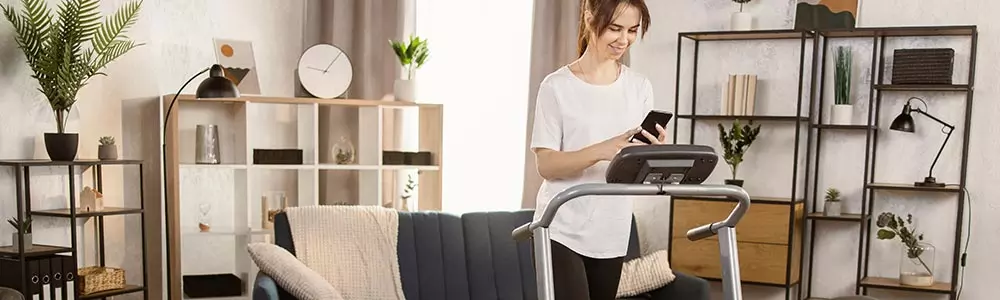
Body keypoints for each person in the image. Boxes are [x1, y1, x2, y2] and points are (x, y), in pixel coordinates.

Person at [528, 0, 660, 299]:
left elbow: (635, 168)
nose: (623, 39)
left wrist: (652, 154)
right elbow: (546, 166)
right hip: (560, 227)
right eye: (615, 28)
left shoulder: (639, 87)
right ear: (589, 18)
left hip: (611, 229)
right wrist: (602, 149)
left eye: (632, 30)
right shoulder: (557, 87)